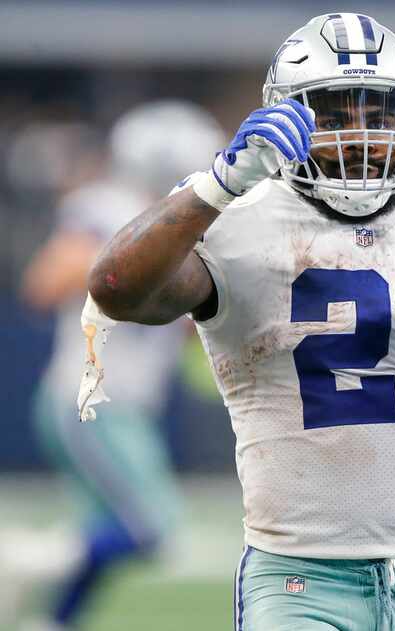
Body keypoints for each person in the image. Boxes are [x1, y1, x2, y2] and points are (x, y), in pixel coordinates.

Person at [84, 14, 395, 631]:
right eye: (334, 116)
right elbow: (115, 291)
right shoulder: (236, 217)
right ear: (287, 117)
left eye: (379, 113)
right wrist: (215, 186)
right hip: (300, 580)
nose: (360, 135)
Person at [12, 101, 224, 630]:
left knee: (113, 528)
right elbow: (46, 283)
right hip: (93, 402)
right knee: (150, 529)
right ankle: (21, 557)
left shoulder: (174, 225)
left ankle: (54, 621)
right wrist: (129, 269)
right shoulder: (112, 208)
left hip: (118, 406)